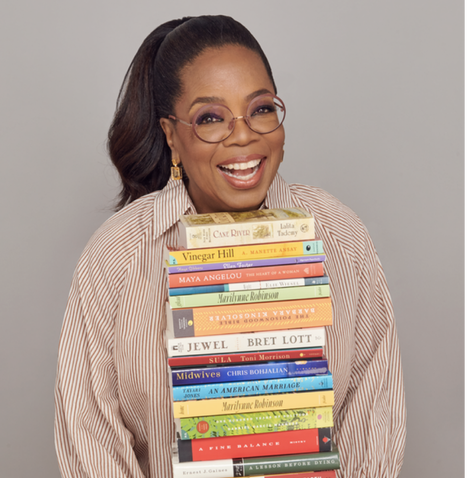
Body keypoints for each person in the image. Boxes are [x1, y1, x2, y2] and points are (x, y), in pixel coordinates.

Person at [54, 15, 406, 478]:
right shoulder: (118, 255)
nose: (243, 135)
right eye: (210, 118)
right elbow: (89, 436)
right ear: (170, 135)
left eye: (260, 108)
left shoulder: (337, 234)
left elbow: (372, 413)